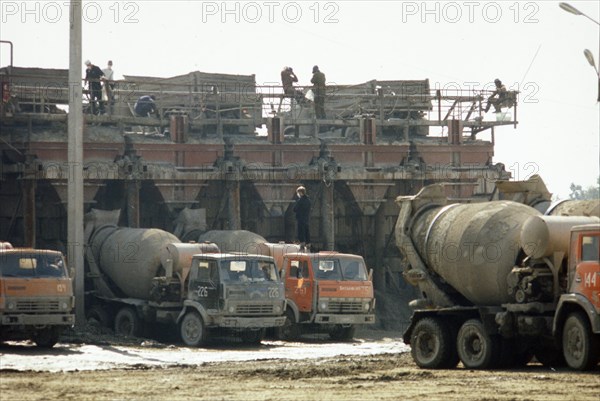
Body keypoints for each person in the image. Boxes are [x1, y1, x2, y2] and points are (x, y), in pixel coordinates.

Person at [293, 186, 311, 251]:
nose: (298, 194)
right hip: (306, 218)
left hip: (300, 218)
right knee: (307, 231)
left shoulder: (300, 200)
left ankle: (302, 246)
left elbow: (294, 209)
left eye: (298, 193)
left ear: (300, 192)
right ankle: (308, 245)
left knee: (301, 232)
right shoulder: (308, 200)